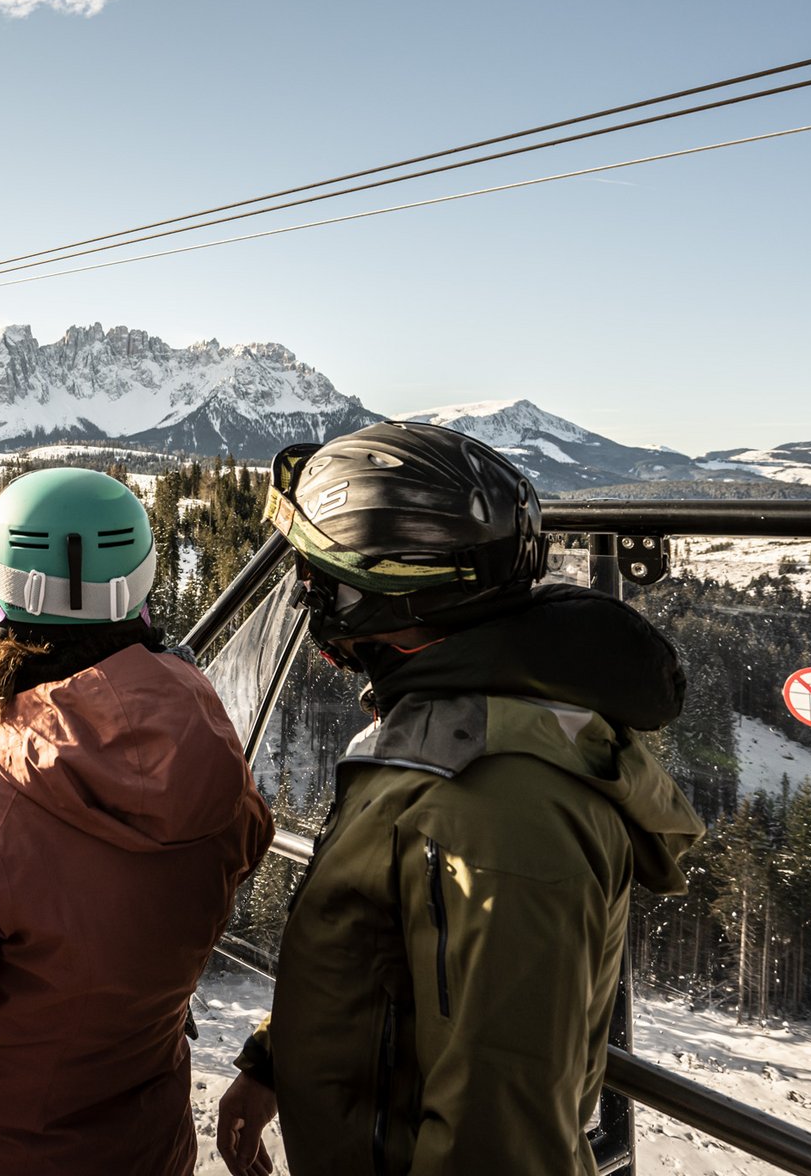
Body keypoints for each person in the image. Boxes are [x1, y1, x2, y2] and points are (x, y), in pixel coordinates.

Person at [215, 422, 706, 1176]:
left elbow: (500, 1134)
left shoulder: (498, 811)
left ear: (392, 588)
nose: (307, 595)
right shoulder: (451, 725)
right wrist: (276, 1062)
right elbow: (386, 966)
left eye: (319, 577)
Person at [0, 467, 272, 1176]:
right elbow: (242, 849)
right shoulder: (219, 767)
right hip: (150, 1147)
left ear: (0, 599)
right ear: (139, 588)